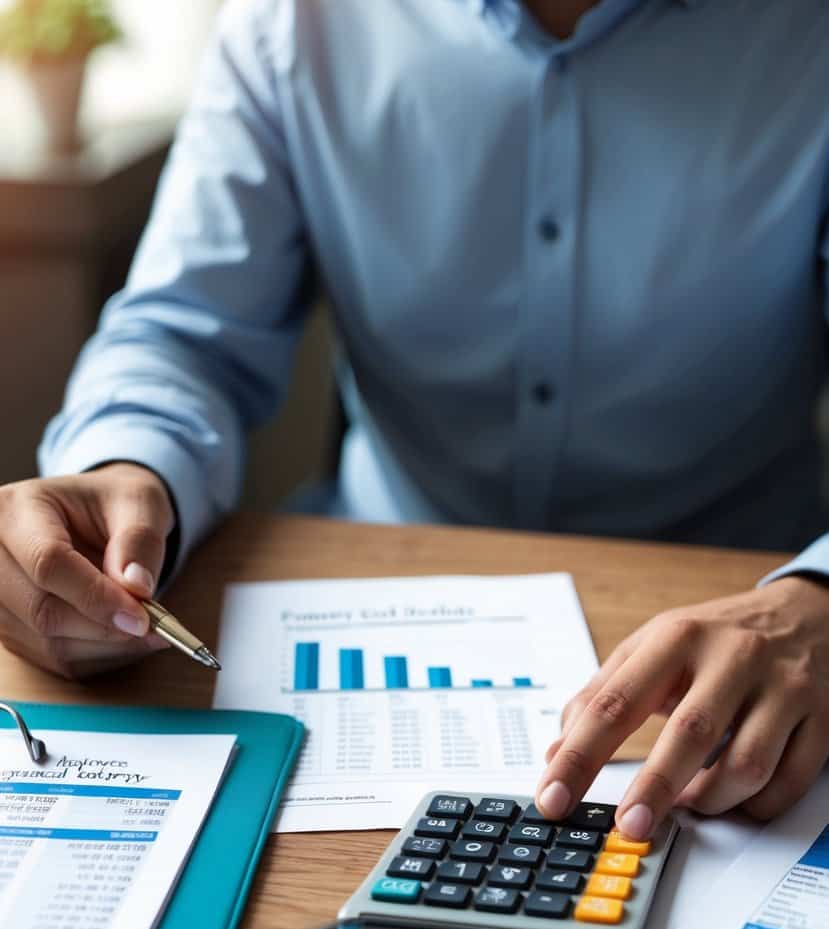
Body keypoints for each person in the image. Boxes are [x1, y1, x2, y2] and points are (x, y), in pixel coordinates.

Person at [2, 0, 828, 841]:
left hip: (746, 628)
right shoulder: (292, 25)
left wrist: (818, 597)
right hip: (363, 612)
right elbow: (183, 333)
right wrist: (123, 471)